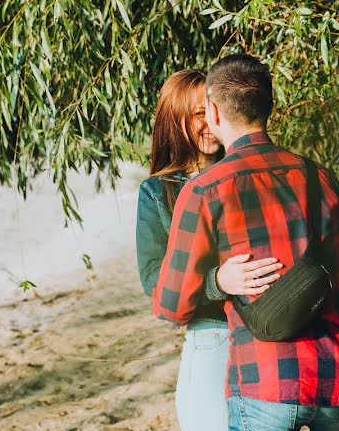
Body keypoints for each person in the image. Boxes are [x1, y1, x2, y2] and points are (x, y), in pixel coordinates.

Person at [153, 55, 339, 431]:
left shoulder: (204, 191)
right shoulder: (320, 177)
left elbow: (171, 306)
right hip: (338, 377)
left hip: (265, 379)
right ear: (269, 107)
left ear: (214, 112)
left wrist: (220, 281)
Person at [136, 69, 285, 430]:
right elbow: (156, 283)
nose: (207, 123)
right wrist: (218, 281)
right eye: (196, 115)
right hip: (212, 333)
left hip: (269, 331)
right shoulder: (158, 193)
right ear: (175, 121)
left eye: (210, 111)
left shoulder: (246, 173)